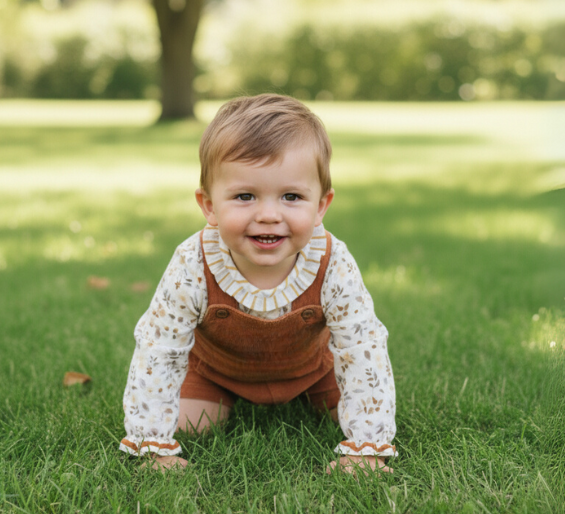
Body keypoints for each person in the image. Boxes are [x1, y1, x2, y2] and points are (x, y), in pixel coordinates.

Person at [120, 94, 396, 474]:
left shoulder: (333, 261)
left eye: (292, 196)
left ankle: (309, 398)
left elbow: (362, 345)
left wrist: (367, 446)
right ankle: (221, 397)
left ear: (321, 206)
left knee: (349, 410)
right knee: (191, 425)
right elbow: (159, 348)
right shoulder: (193, 262)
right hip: (218, 371)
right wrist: (152, 444)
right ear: (209, 205)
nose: (269, 215)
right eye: (245, 196)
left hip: (312, 371)